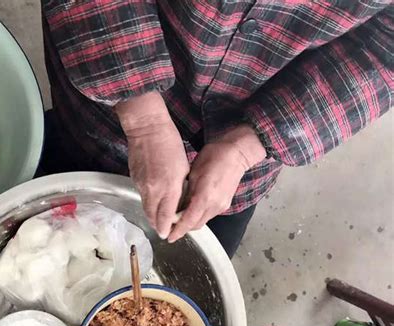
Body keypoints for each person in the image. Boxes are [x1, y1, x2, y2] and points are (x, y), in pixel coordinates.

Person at [40, 2, 393, 257]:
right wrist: (144, 121)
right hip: (104, 90)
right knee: (44, 212)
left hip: (249, 153)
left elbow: (385, 52)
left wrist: (245, 148)